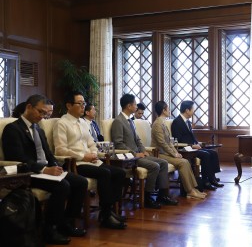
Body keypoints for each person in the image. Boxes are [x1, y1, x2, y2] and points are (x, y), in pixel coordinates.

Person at [3, 94, 88, 245]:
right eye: (41, 112)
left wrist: (55, 165)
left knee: (80, 182)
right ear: (29, 107)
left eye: (47, 114)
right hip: (29, 174)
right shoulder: (13, 129)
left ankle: (66, 222)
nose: (43, 117)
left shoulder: (39, 130)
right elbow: (19, 159)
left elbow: (48, 154)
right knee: (63, 186)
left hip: (47, 171)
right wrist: (44, 170)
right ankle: (50, 229)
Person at [53, 91, 127, 230]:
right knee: (105, 173)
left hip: (91, 161)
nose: (83, 106)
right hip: (76, 164)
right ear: (69, 105)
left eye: (84, 103)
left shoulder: (83, 123)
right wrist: (83, 156)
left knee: (119, 173)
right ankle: (105, 215)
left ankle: (109, 210)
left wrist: (93, 154)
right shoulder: (61, 123)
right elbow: (60, 150)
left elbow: (92, 143)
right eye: (79, 104)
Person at [111, 94, 178, 208]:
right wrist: (135, 153)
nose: (136, 106)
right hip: (130, 158)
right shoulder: (118, 121)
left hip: (139, 154)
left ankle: (162, 196)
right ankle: (148, 197)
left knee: (163, 163)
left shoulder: (131, 121)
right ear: (129, 106)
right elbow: (119, 143)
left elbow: (137, 139)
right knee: (155, 166)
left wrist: (143, 150)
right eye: (135, 104)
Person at [151, 100, 206, 199]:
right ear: (163, 110)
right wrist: (174, 154)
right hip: (159, 153)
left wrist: (176, 152)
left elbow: (170, 142)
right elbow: (162, 144)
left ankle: (193, 189)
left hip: (166, 152)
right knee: (183, 162)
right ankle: (190, 191)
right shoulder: (157, 124)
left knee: (185, 161)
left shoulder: (163, 123)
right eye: (167, 108)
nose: (169, 110)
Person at [171, 100, 223, 190]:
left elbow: (191, 136)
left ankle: (212, 178)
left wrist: (197, 143)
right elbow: (178, 139)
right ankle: (205, 181)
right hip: (185, 150)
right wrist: (192, 145)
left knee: (213, 153)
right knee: (206, 155)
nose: (194, 111)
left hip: (192, 148)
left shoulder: (187, 121)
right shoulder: (177, 122)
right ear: (187, 110)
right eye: (193, 109)